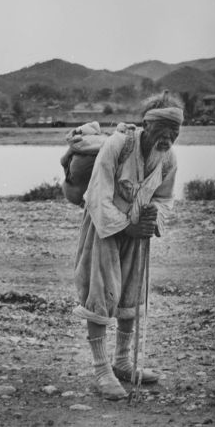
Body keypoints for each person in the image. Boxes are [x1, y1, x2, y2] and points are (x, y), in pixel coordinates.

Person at [73, 91, 184, 400]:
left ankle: (123, 362)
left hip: (137, 233)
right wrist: (127, 224)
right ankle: (101, 370)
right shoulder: (118, 146)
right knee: (102, 293)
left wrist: (153, 217)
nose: (170, 138)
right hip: (104, 229)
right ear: (147, 126)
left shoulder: (168, 158)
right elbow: (97, 195)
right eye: (164, 131)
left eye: (175, 133)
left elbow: (165, 198)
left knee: (131, 294)